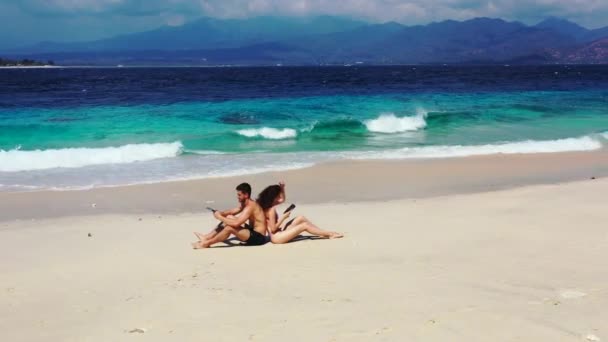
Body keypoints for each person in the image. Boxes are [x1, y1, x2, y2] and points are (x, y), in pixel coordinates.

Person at [257, 182, 343, 244]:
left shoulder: (265, 206)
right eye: (278, 196)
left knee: (301, 218)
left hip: (278, 233)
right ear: (274, 197)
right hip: (277, 237)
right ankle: (330, 234)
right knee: (304, 226)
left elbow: (282, 200)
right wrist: (283, 217)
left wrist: (282, 188)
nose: (280, 198)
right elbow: (273, 228)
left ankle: (321, 233)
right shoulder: (271, 210)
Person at [192, 183, 267, 248]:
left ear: (246, 195)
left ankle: (206, 243)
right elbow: (232, 211)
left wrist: (219, 217)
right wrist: (220, 213)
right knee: (229, 217)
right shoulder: (246, 203)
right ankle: (206, 237)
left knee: (229, 228)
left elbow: (236, 223)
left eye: (239, 195)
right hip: (252, 231)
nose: (237, 197)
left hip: (259, 238)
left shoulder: (250, 207)